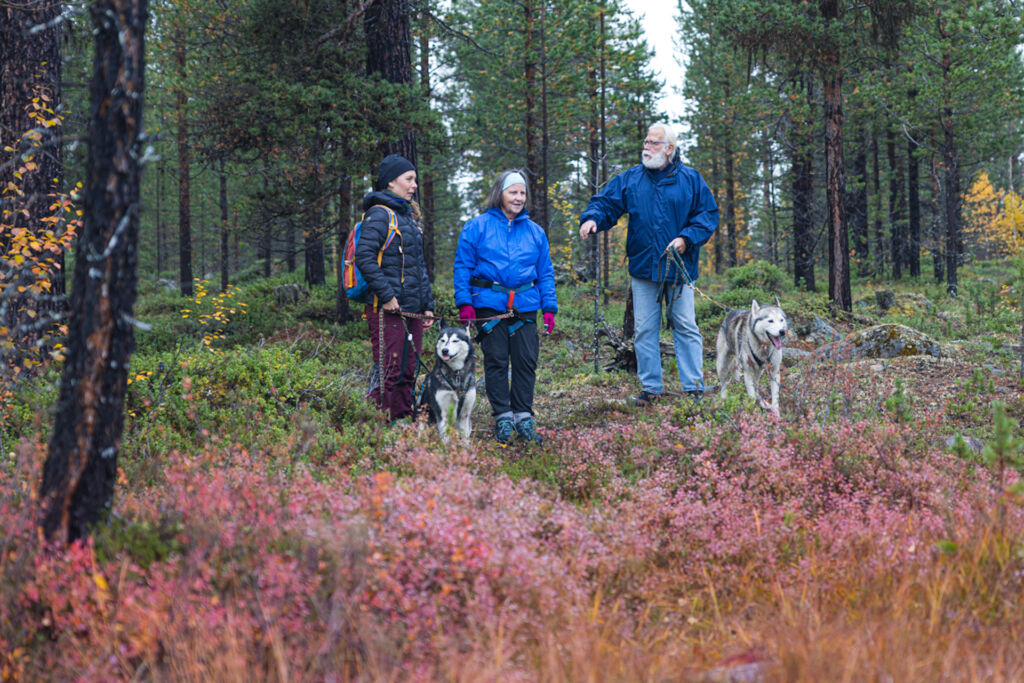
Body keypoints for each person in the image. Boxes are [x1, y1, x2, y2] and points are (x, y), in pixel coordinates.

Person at [579, 123, 718, 406]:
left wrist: (685, 238)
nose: (646, 147)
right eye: (645, 142)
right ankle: (651, 389)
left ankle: (693, 389)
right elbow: (605, 203)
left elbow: (707, 216)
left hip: (680, 269)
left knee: (686, 326)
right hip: (644, 269)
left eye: (653, 143)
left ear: (669, 149)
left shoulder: (691, 179)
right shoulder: (632, 179)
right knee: (644, 330)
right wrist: (592, 218)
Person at [454, 169, 557, 445]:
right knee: (497, 361)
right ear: (500, 193)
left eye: (522, 193)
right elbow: (462, 266)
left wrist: (549, 308)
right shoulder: (476, 227)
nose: (519, 197)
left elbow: (545, 272)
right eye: (513, 192)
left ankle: (523, 416)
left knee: (525, 361)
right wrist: (465, 303)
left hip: (525, 306)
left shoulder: (535, 232)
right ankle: (503, 417)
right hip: (489, 306)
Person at [355, 153, 434, 421]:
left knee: (408, 369)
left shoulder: (408, 217)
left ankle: (401, 424)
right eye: (409, 179)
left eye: (415, 180)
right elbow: (364, 257)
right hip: (386, 309)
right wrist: (386, 295)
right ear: (391, 182)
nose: (414, 185)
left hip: (412, 309)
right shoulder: (379, 214)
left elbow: (419, 266)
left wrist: (428, 307)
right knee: (389, 370)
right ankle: (375, 426)